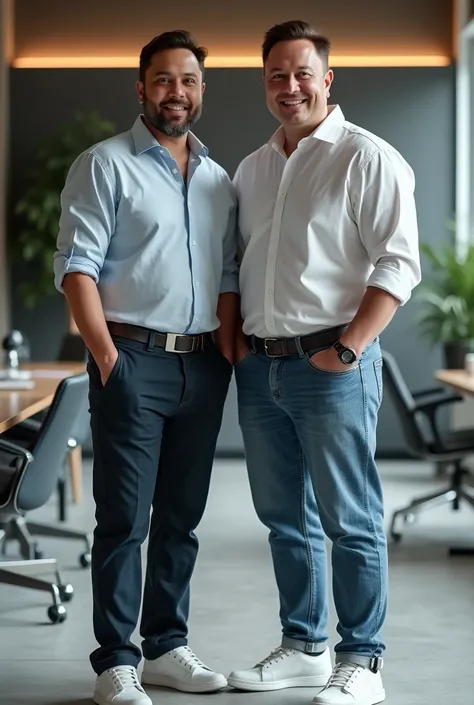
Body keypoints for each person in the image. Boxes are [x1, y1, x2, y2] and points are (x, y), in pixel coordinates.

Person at [227, 20, 421, 705]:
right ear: (264, 83)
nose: (289, 86)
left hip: (332, 362)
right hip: (262, 368)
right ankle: (305, 644)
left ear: (327, 78)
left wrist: (350, 347)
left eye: (302, 72)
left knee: (351, 518)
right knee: (285, 517)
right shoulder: (252, 168)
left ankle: (363, 659)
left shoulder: (367, 157)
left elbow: (399, 263)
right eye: (276, 75)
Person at [54, 30, 239, 705]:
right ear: (141, 89)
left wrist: (224, 354)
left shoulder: (219, 180)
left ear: (201, 90)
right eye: (163, 80)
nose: (176, 92)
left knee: (182, 518)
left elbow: (227, 276)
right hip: (131, 358)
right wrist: (108, 358)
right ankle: (116, 660)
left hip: (202, 367)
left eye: (188, 80)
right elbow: (76, 269)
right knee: (124, 519)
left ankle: (165, 646)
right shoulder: (105, 165)